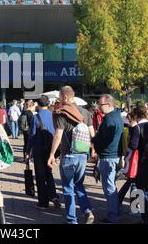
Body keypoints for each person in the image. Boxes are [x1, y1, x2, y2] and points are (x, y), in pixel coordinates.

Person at [47, 86, 95, 224]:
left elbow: (57, 136)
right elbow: (92, 134)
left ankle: (72, 219)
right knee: (79, 184)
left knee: (68, 188)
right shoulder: (85, 113)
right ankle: (87, 211)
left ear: (65, 97)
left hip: (68, 155)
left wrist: (51, 154)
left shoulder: (61, 113)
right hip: (82, 155)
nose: (58, 100)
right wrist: (93, 150)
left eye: (60, 97)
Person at [92, 94, 123, 223]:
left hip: (108, 156)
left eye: (101, 104)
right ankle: (115, 212)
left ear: (109, 105)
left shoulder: (110, 119)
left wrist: (95, 142)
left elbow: (106, 140)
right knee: (111, 187)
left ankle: (113, 215)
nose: (99, 107)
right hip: (112, 155)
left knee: (109, 187)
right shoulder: (115, 116)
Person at [26, 95, 60, 210]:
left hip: (39, 149)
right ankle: (53, 195)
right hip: (51, 149)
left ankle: (43, 202)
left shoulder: (35, 118)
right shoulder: (54, 116)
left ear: (38, 105)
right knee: (49, 173)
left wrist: (28, 151)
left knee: (40, 176)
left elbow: (32, 136)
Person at [118, 106, 148, 209]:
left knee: (136, 184)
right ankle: (139, 208)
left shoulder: (137, 127)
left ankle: (135, 209)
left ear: (136, 115)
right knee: (140, 185)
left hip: (138, 160)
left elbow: (133, 145)